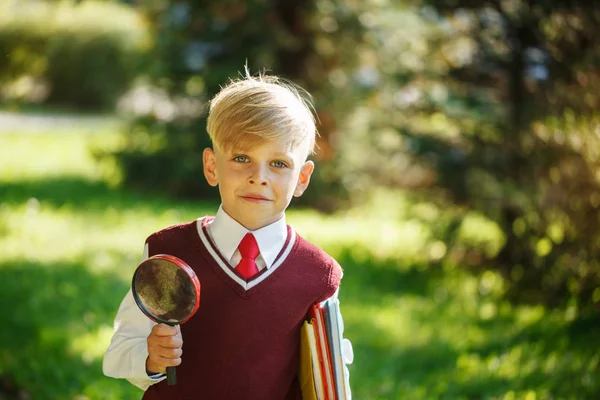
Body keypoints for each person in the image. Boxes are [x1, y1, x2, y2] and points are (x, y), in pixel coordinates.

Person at [103, 70, 352, 399]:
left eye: (278, 164)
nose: (258, 177)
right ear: (212, 166)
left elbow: (325, 378)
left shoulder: (318, 275)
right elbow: (118, 353)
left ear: (303, 177)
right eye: (241, 158)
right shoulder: (169, 251)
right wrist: (151, 358)